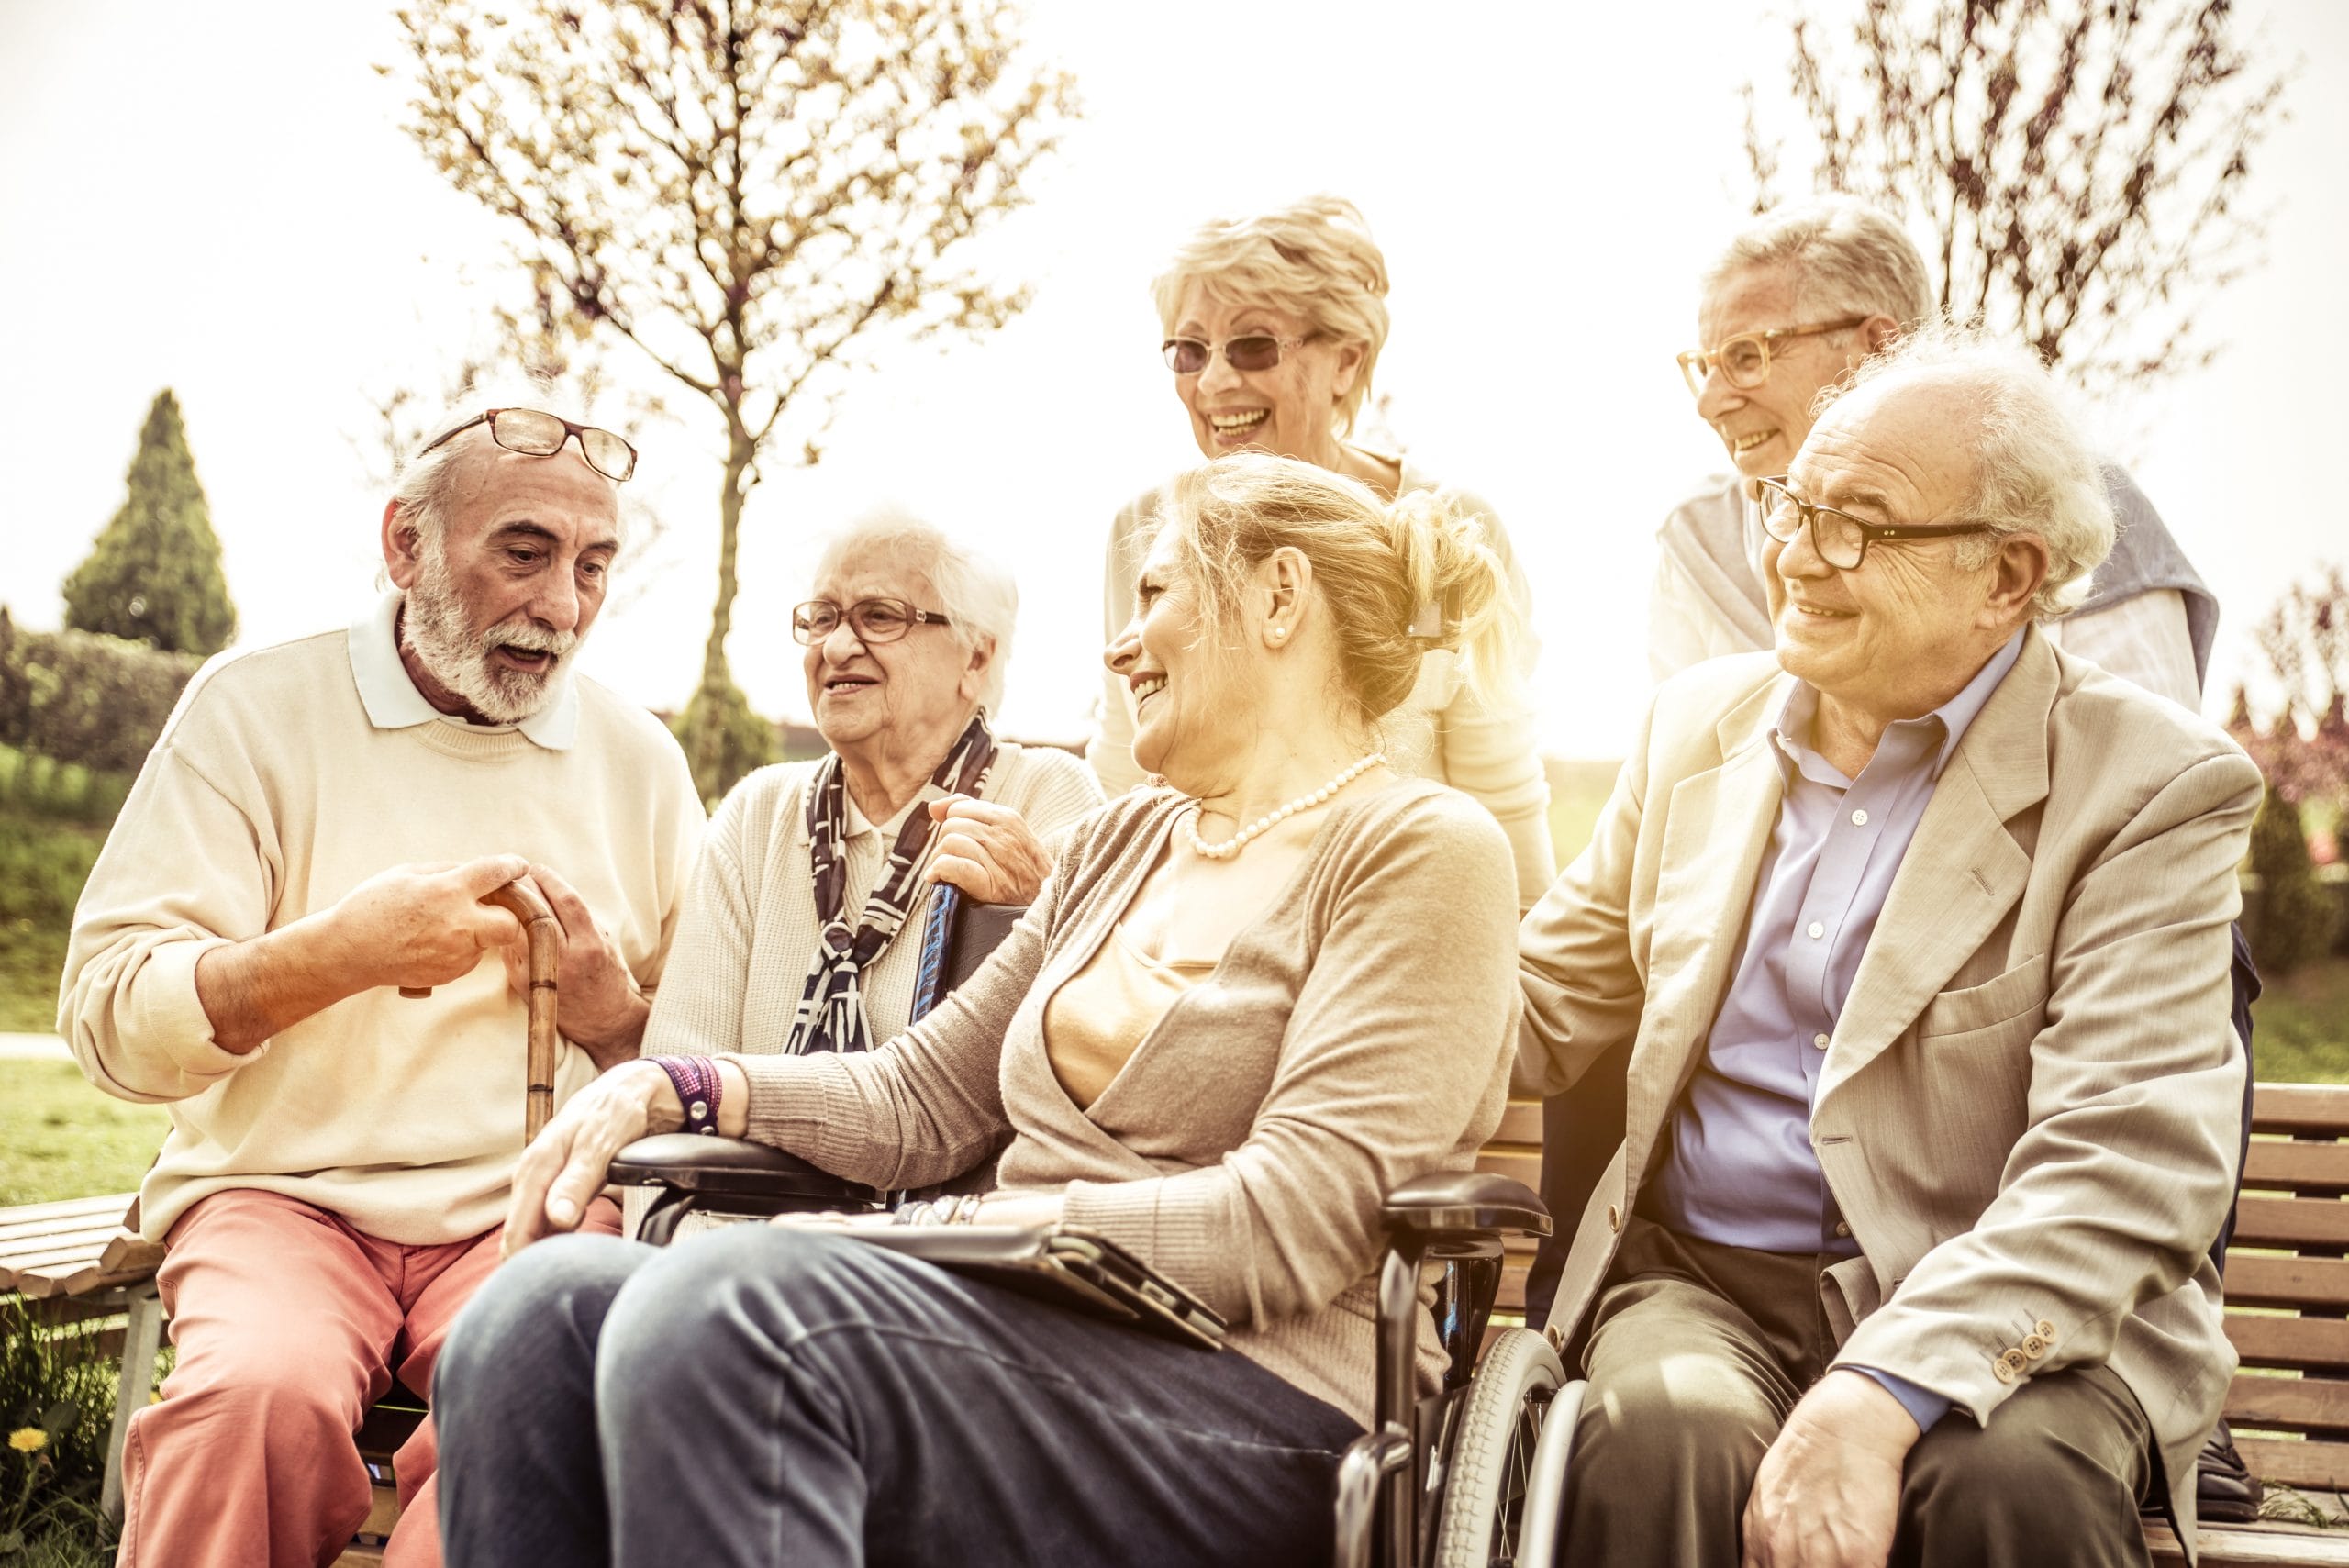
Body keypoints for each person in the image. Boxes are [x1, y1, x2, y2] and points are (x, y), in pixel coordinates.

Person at [431, 452, 1526, 1568]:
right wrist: (677, 1082)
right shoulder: (1121, 842)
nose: (1118, 644)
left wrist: (929, 1235)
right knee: (534, 1317)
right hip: (1019, 1342)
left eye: (1154, 593)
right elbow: (917, 1099)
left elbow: (1288, 1221)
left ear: (1280, 596)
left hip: (1256, 1399)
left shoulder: (1423, 851)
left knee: (735, 1309)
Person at [1518, 328, 2260, 1567]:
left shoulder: (2150, 785)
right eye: (1790, 505)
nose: (1796, 555)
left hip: (2013, 1301)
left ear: (2006, 576)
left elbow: (2125, 1161)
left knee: (2005, 1485)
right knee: (1657, 1438)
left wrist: (1883, 1388)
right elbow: (1539, 1001)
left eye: (1858, 524)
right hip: (1706, 1285)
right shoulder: (1692, 727)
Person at [57, 393, 706, 1568]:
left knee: (540, 1408)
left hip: (536, 1202)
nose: (563, 606)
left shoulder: (642, 762)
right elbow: (110, 1016)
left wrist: (617, 1018)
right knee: (252, 1394)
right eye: (524, 553)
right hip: (280, 1198)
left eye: (593, 565)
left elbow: (713, 1059)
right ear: (405, 543)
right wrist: (341, 953)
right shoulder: (254, 707)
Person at [1086, 195, 1556, 908]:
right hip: (1190, 922)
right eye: (1190, 350)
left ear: (1346, 360)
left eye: (1252, 345)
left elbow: (1500, 796)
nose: (1213, 381)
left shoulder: (1451, 528)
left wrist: (1521, 963)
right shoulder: (1143, 528)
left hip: (1395, 917)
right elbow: (1122, 777)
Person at [629, 508, 1102, 1136]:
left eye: (879, 616)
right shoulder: (756, 815)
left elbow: (1078, 1065)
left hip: (946, 1196)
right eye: (822, 618)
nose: (835, 646)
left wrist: (1031, 913)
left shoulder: (1048, 797)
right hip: (739, 1192)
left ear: (976, 659)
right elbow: (677, 1074)